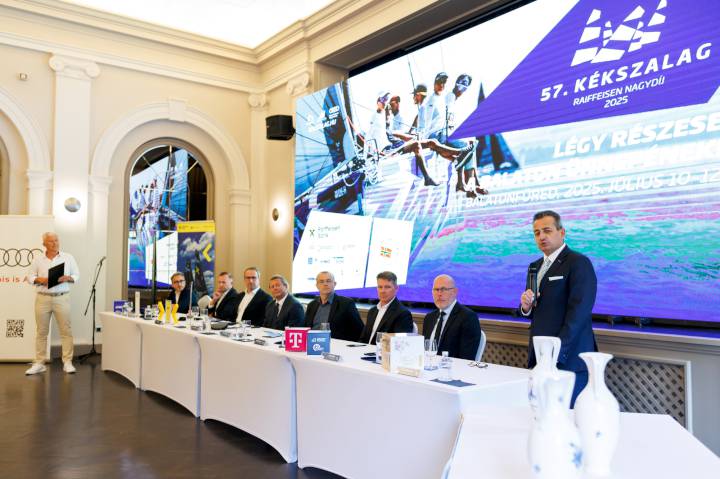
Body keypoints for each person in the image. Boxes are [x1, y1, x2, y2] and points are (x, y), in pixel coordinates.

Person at [519, 210, 598, 406]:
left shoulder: (578, 262)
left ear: (562, 232)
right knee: (540, 413)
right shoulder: (534, 266)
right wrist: (526, 307)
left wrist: (556, 352)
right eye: (537, 233)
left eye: (547, 230)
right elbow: (537, 309)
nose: (542, 237)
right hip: (540, 357)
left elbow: (579, 313)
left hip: (568, 359)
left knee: (566, 416)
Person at [25, 232, 80, 375]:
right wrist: (40, 280)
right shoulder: (38, 259)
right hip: (43, 298)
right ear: (44, 244)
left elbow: (76, 275)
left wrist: (68, 277)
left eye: (56, 240)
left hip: (62, 297)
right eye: (51, 241)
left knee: (66, 331)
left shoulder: (68, 257)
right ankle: (39, 363)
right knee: (41, 332)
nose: (55, 243)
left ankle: (67, 362)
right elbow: (30, 277)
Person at [423, 274, 481, 360]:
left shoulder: (468, 318)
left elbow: (466, 358)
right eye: (436, 289)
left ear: (455, 292)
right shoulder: (429, 318)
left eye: (444, 289)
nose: (439, 294)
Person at [304, 271, 364, 341]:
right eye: (321, 281)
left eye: (328, 281)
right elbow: (305, 328)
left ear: (334, 284)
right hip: (312, 343)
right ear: (317, 285)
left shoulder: (346, 304)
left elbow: (359, 330)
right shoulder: (312, 305)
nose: (325, 284)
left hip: (335, 345)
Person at [359, 271, 414, 344]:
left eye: (387, 287)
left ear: (396, 288)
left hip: (382, 351)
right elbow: (363, 339)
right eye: (380, 287)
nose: (382, 291)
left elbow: (400, 345)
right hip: (365, 349)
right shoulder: (372, 311)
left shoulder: (403, 314)